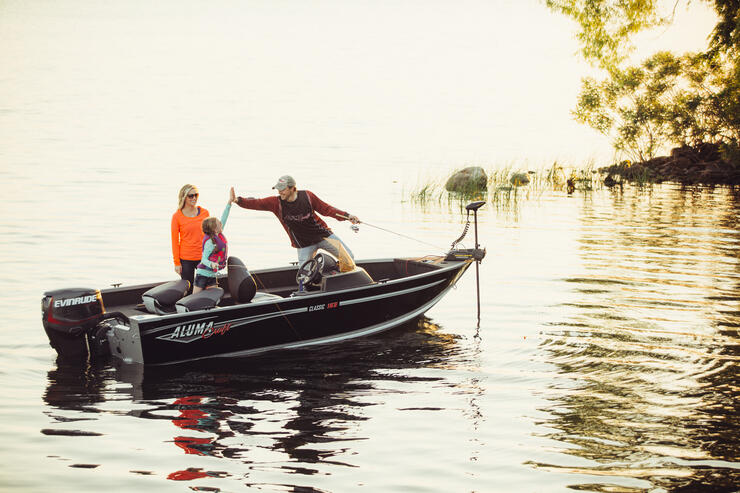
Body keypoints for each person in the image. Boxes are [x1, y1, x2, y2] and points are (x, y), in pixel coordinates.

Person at [234, 175, 360, 269]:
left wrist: (348, 216)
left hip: (323, 236)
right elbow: (257, 203)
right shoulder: (276, 203)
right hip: (303, 244)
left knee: (349, 257)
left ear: (293, 188)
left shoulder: (308, 197)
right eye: (278, 189)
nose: (280, 192)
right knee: (304, 275)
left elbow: (327, 209)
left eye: (283, 189)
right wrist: (238, 200)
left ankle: (338, 280)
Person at [192, 188, 236, 294]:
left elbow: (224, 216)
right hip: (202, 274)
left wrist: (230, 202)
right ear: (214, 228)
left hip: (212, 275)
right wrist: (212, 264)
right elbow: (203, 259)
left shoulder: (219, 234)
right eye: (218, 223)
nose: (221, 224)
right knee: (195, 297)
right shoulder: (209, 242)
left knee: (212, 297)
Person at [171, 184, 209, 290]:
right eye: (191, 196)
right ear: (184, 197)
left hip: (204, 257)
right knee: (188, 289)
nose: (194, 198)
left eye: (196, 195)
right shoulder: (177, 217)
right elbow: (175, 241)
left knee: (207, 287)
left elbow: (210, 236)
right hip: (186, 259)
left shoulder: (205, 213)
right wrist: (177, 263)